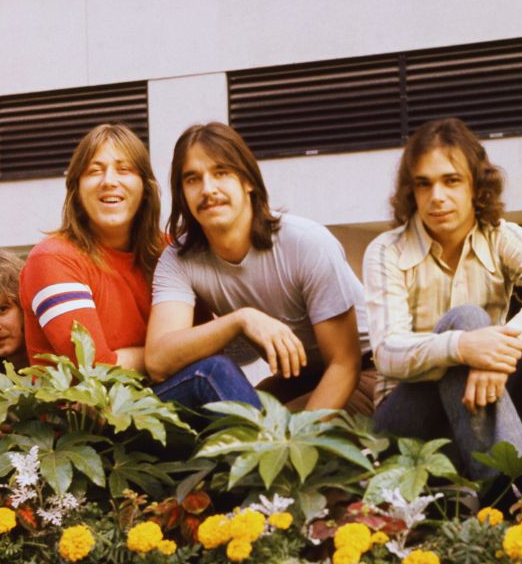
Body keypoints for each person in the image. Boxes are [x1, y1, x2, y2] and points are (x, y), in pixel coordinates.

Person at [362, 118, 522, 481]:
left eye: (451, 181)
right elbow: (388, 352)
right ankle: (512, 488)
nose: (437, 197)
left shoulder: (500, 236)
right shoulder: (387, 251)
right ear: (412, 192)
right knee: (467, 319)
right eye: (424, 184)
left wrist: (501, 345)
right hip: (408, 418)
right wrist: (463, 346)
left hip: (485, 403)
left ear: (475, 187)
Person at [146, 122, 374, 416]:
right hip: (298, 377)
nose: (208, 189)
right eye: (192, 179)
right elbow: (158, 360)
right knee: (220, 422)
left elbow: (344, 364)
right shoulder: (179, 259)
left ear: (248, 181)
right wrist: (239, 321)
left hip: (366, 372)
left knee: (261, 437)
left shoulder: (306, 243)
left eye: (221, 173)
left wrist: (290, 441)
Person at [19, 123, 165, 372]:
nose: (109, 181)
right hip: (86, 410)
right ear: (76, 190)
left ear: (145, 188)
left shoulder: (168, 252)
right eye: (94, 171)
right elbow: (95, 369)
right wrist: (167, 354)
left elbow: (204, 346)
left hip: (174, 404)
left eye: (124, 169)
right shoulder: (52, 258)